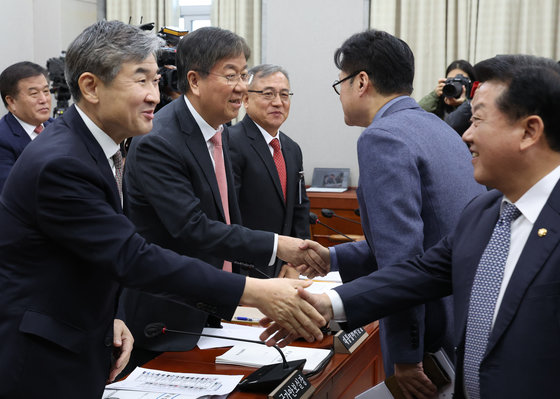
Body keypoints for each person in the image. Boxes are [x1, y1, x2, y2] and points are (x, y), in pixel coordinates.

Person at [0, 20, 326, 398]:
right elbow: (134, 256)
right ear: (91, 86)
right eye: (140, 81)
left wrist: (114, 315)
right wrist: (256, 292)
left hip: (84, 338)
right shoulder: (62, 162)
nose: (155, 95)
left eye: (156, 81)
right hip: (44, 359)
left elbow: (100, 252)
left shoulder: (93, 148)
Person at [268, 54, 560, 399]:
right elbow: (417, 274)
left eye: (478, 121)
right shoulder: (484, 214)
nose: (466, 135)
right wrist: (328, 304)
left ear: (529, 131)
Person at [300, 29, 485, 397]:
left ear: (361, 81)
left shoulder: (382, 137)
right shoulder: (438, 127)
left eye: (341, 86)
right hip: (462, 321)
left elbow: (403, 261)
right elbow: (426, 237)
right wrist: (332, 257)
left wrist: (406, 356)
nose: (341, 98)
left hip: (429, 339)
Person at [120, 26, 325, 356]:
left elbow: (228, 219)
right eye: (232, 75)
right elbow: (192, 228)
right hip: (169, 320)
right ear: (195, 81)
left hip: (219, 312)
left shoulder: (219, 134)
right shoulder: (159, 141)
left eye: (244, 75)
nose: (242, 88)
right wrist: (277, 245)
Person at [228, 64, 310, 278]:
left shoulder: (292, 149)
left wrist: (296, 263)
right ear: (246, 99)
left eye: (284, 95)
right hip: (244, 269)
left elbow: (299, 209)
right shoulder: (230, 142)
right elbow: (229, 216)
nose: (278, 102)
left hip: (283, 270)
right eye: (268, 94)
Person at [0, 61, 53, 192]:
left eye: (46, 91)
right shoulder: (3, 139)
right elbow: (12, 191)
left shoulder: (60, 127)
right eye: (34, 94)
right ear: (11, 101)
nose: (43, 99)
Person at [418, 59, 476, 136]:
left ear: (471, 83)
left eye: (461, 81)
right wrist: (434, 95)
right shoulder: (439, 101)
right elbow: (417, 114)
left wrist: (464, 103)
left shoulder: (475, 103)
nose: (455, 84)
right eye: (451, 80)